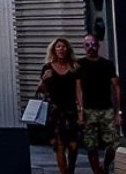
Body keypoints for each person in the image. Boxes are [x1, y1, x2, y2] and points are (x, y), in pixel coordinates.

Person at [75, 36, 121, 174]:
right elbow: (78, 89)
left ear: (98, 46)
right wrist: (81, 110)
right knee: (91, 144)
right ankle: (96, 171)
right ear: (84, 47)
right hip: (88, 109)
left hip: (106, 108)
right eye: (87, 44)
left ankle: (105, 166)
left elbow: (116, 86)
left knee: (113, 143)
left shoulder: (107, 64)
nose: (90, 47)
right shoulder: (80, 64)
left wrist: (119, 111)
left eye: (93, 44)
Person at [40, 38, 82, 174]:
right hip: (55, 110)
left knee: (73, 145)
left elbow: (79, 90)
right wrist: (44, 79)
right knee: (60, 144)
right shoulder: (47, 67)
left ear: (68, 49)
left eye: (64, 47)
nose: (61, 49)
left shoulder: (74, 67)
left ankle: (71, 169)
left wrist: (81, 110)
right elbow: (41, 90)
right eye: (58, 47)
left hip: (70, 109)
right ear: (54, 50)